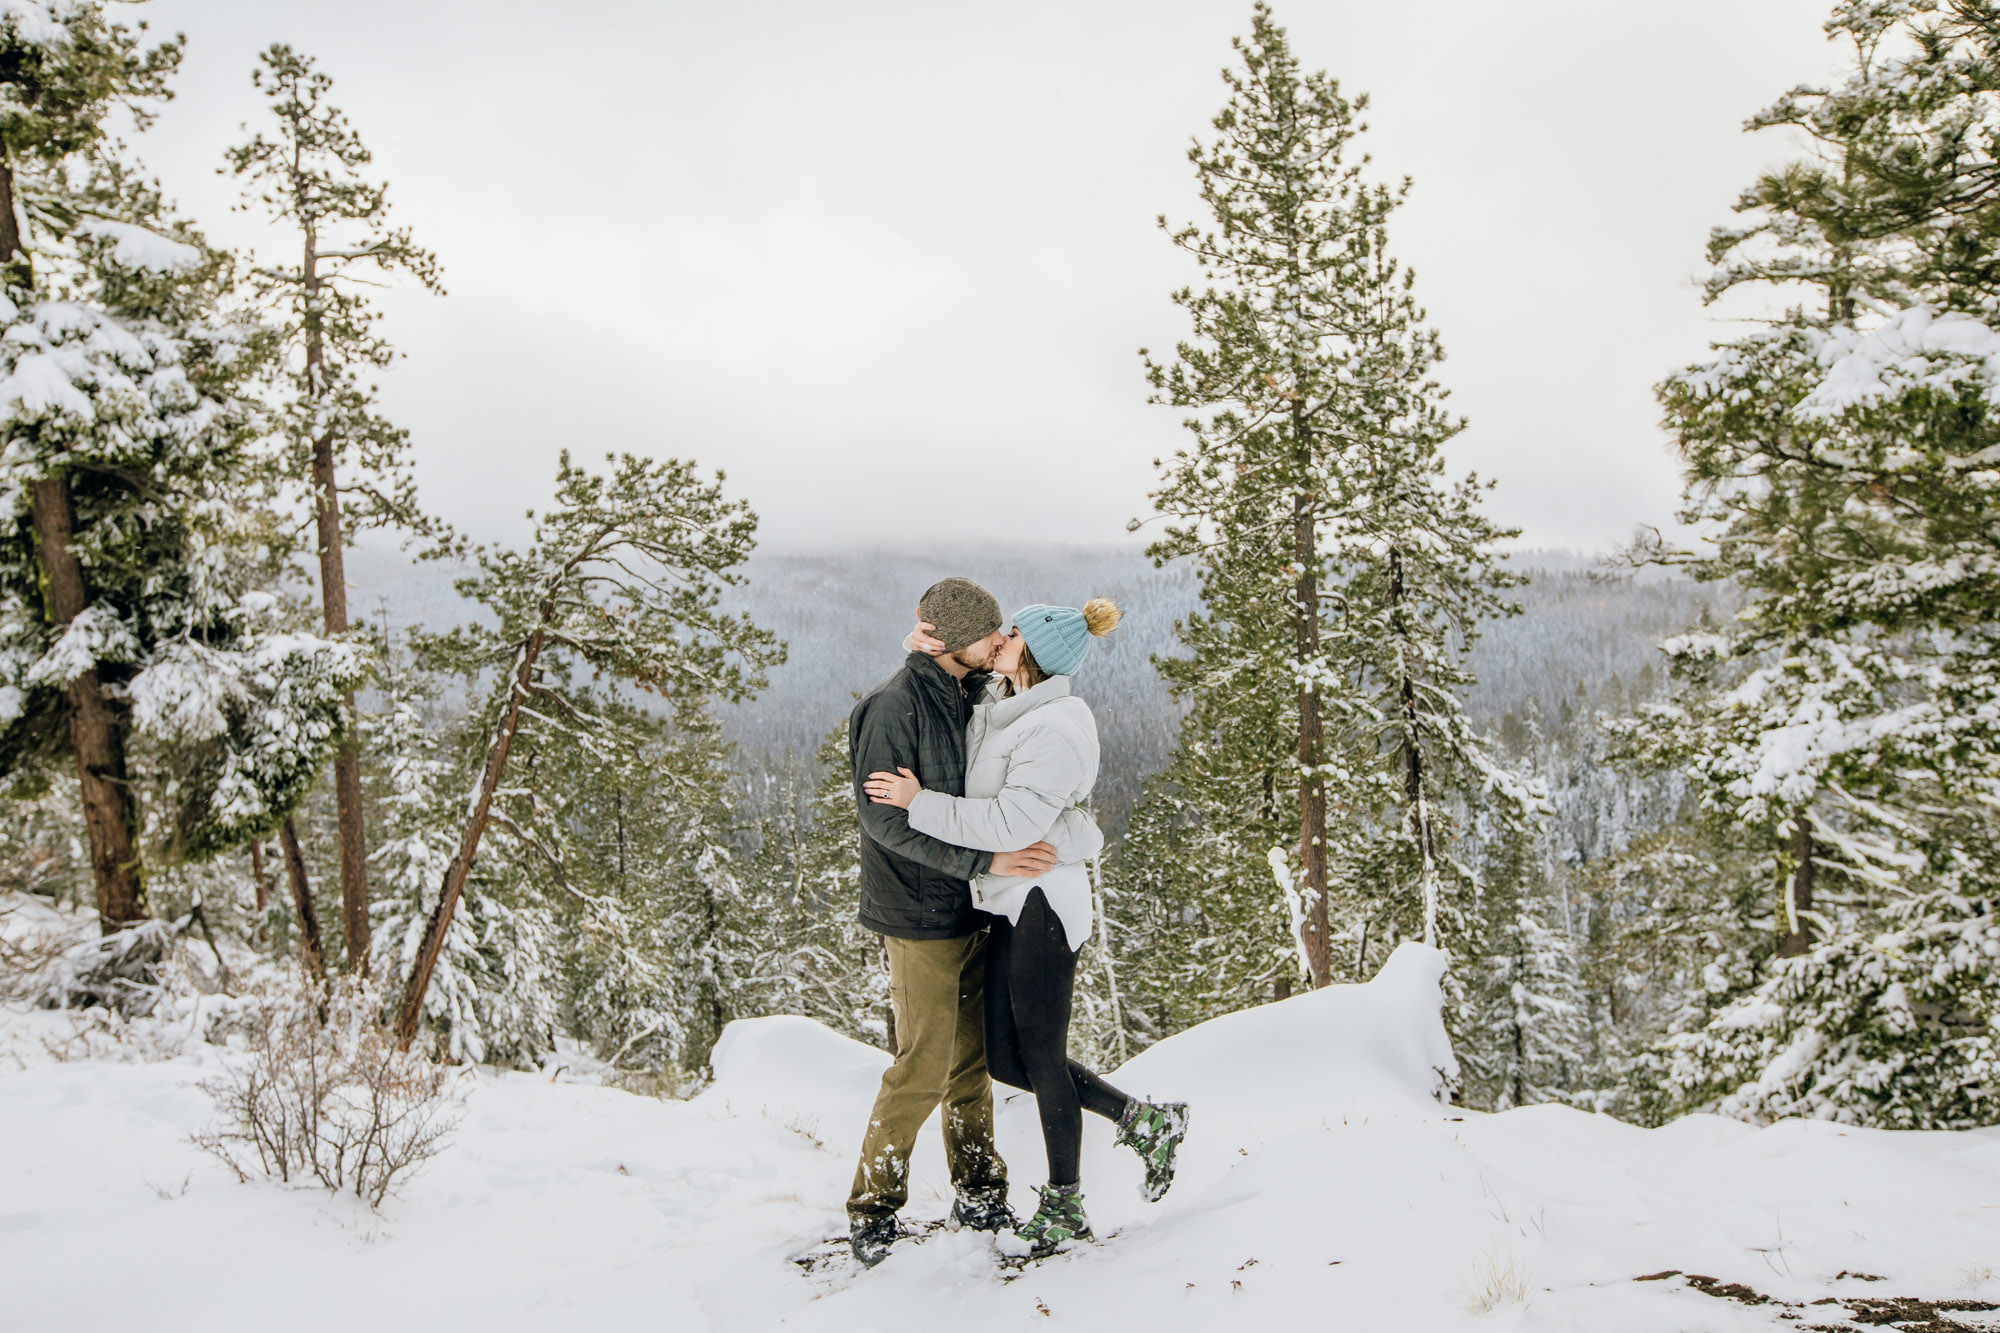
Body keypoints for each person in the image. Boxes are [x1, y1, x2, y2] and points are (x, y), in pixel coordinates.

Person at [866, 597, 1190, 1259]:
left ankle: (1067, 1205)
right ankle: (1145, 1119)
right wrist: (922, 649)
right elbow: (964, 684)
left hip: (1043, 899)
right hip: (1010, 900)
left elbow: (1012, 826)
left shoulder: (1057, 726)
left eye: (1011, 633)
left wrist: (917, 803)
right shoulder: (1010, 701)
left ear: (1034, 653)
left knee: (1038, 1057)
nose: (999, 638)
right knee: (1007, 1056)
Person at [843, 576, 1107, 1269]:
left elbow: (1025, 801)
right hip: (918, 910)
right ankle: (873, 1206)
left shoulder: (973, 697)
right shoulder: (891, 706)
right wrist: (984, 856)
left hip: (973, 906)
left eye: (1004, 634)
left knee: (971, 1063)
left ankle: (981, 1188)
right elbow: (882, 818)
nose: (998, 643)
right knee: (922, 1065)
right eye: (988, 634)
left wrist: (1071, 840)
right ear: (954, 641)